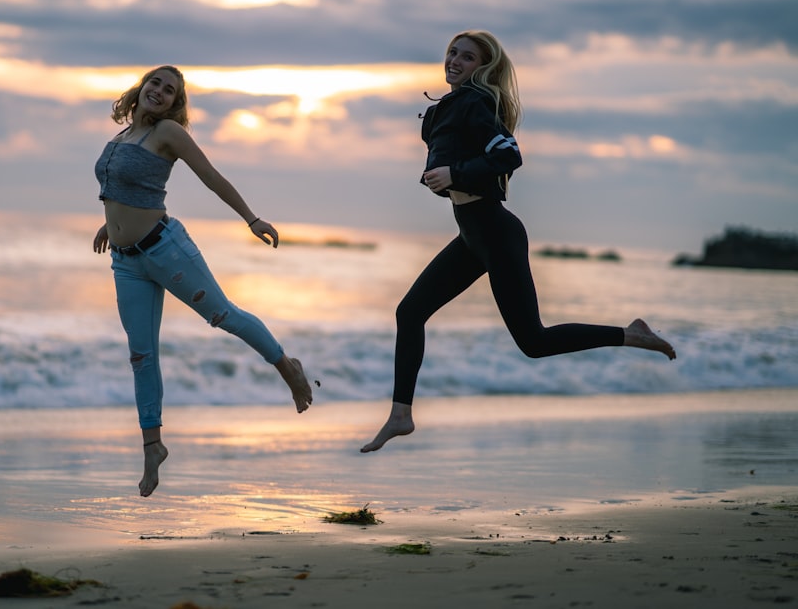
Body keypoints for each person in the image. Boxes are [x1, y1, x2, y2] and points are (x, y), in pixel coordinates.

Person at [361, 30, 676, 454]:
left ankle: (630, 334)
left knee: (534, 342)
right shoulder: (442, 109)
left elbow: (509, 153)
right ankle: (401, 414)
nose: (455, 60)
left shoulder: (475, 103)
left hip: (496, 234)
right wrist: (443, 176)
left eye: (467, 57)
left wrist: (455, 174)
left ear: (482, 68)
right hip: (472, 236)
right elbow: (454, 162)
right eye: (452, 52)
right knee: (410, 311)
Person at [92, 65, 314, 496]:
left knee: (223, 315)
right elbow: (119, 189)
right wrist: (109, 224)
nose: (159, 91)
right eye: (155, 83)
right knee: (141, 355)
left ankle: (289, 369)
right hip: (126, 261)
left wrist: (251, 218)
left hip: (165, 249)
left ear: (176, 103)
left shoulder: (168, 133)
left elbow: (210, 177)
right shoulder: (119, 139)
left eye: (169, 90)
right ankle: (153, 446)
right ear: (141, 88)